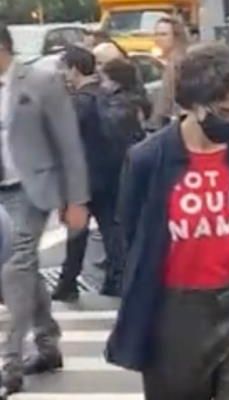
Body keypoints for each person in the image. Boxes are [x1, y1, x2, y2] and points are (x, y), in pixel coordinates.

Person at [105, 42, 229, 400]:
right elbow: (133, 230)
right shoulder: (148, 160)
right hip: (174, 312)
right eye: (223, 111)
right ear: (194, 102)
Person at [0, 24, 89, 395]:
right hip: (1, 187)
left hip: (33, 189)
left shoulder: (40, 82)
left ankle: (10, 364)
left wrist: (77, 199)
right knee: (27, 271)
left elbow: (69, 143)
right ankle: (48, 344)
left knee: (15, 268)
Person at [52, 46, 127, 301]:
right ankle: (118, 279)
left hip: (80, 178)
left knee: (77, 233)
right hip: (109, 173)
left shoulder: (76, 102)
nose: (61, 73)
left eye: (63, 67)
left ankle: (68, 283)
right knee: (111, 229)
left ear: (74, 68)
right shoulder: (107, 95)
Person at [151, 17, 189, 128]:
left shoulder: (179, 63)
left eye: (163, 34)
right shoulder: (170, 61)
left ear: (176, 37)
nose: (158, 38)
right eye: (156, 34)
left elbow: (168, 100)